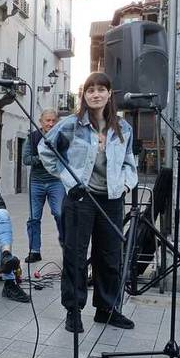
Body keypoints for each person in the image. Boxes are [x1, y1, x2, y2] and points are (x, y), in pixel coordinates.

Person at [38, 72, 138, 333]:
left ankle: (106, 309)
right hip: (81, 198)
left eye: (101, 89)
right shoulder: (72, 124)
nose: (95, 94)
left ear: (109, 94)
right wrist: (65, 177)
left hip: (112, 199)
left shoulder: (124, 128)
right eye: (90, 90)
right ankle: (73, 310)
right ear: (84, 95)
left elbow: (129, 162)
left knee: (109, 255)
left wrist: (126, 183)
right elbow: (45, 148)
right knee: (75, 255)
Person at [22, 109, 65, 263]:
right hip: (36, 182)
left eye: (53, 120)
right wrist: (43, 158)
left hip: (56, 181)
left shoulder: (61, 137)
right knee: (34, 218)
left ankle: (66, 245)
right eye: (47, 120)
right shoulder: (32, 137)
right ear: (41, 121)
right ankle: (35, 251)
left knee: (60, 213)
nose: (50, 123)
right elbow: (26, 159)